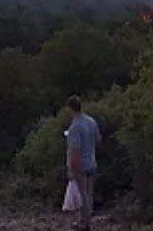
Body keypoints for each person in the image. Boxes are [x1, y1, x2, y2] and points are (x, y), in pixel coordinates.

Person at [66, 95, 100, 231]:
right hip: (92, 161)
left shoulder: (75, 127)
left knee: (82, 195)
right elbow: (98, 139)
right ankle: (86, 220)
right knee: (89, 193)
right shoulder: (91, 121)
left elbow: (75, 150)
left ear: (70, 109)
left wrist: (72, 168)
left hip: (81, 165)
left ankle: (85, 223)